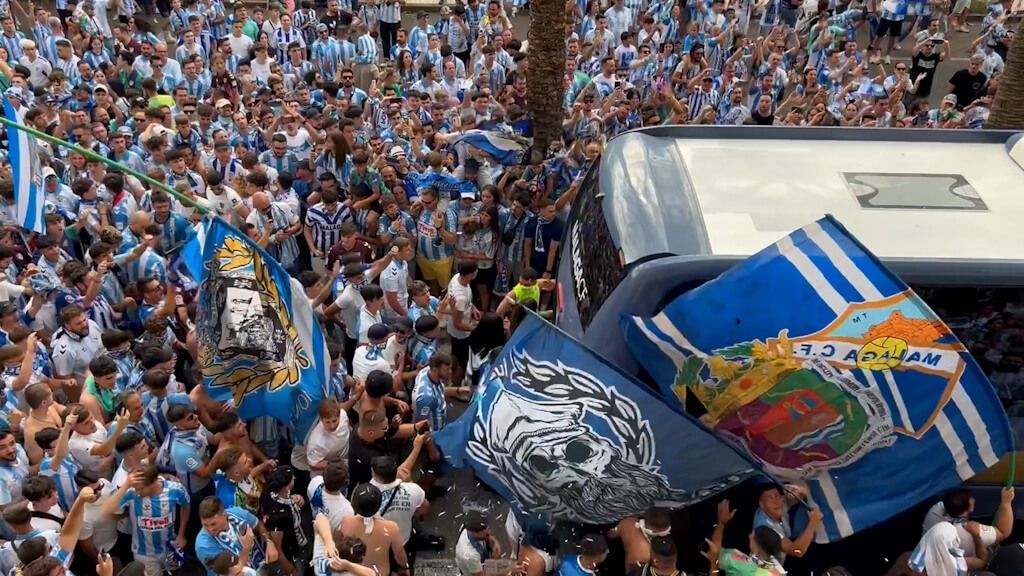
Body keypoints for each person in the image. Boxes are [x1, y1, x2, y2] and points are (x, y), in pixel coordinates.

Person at [101, 463, 190, 576]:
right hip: (144, 553)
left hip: (171, 546)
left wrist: (181, 535)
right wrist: (126, 485)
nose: (138, 492)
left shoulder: (176, 489)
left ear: (153, 482)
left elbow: (186, 505)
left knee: (176, 572)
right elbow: (105, 511)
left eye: (141, 489)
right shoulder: (131, 492)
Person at [706, 500, 786, 576]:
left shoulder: (737, 564)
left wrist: (721, 523)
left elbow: (714, 550)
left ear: (757, 550)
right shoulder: (778, 570)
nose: (749, 536)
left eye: (752, 537)